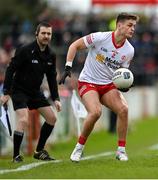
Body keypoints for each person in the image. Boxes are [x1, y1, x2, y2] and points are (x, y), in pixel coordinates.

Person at [59, 12, 139, 162]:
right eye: (129, 25)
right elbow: (74, 45)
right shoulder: (100, 37)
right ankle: (79, 148)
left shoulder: (129, 51)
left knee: (123, 109)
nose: (132, 29)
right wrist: (68, 66)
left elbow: (121, 73)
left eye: (134, 26)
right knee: (95, 112)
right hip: (88, 82)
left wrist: (124, 84)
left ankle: (121, 151)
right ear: (119, 25)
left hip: (107, 85)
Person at [0, 22, 61, 162]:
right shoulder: (25, 50)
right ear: (37, 34)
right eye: (43, 33)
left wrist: (56, 98)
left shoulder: (51, 55)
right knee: (23, 119)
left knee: (52, 118)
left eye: (49, 34)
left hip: (35, 92)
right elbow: (10, 69)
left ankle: (39, 151)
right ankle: (16, 155)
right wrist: (6, 92)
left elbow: (52, 78)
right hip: (19, 90)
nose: (46, 36)